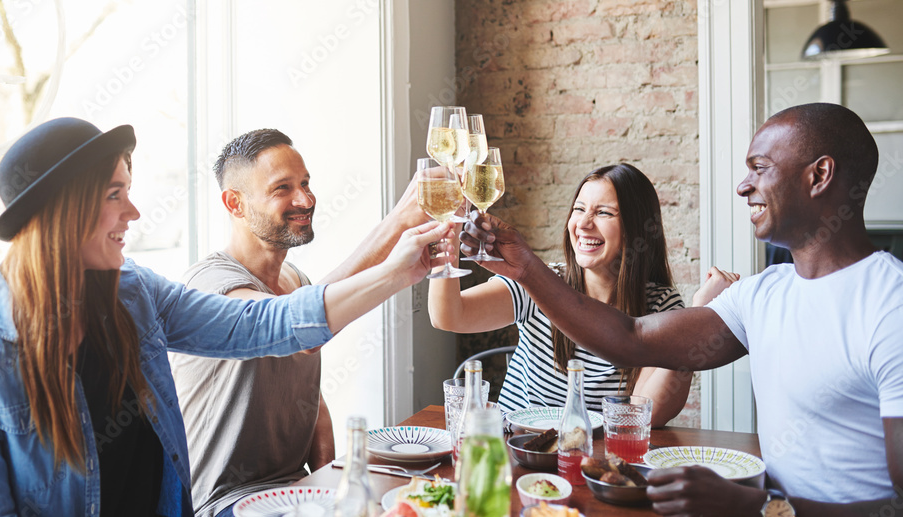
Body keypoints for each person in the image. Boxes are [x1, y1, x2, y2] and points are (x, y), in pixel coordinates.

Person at [0, 117, 450, 517]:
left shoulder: (133, 295)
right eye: (115, 195)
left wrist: (401, 271)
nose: (133, 213)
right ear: (64, 212)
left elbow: (267, 327)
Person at [460, 103, 903, 515]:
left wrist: (756, 505)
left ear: (819, 175)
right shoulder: (763, 293)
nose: (743, 186)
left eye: (759, 169)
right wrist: (527, 267)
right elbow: (630, 339)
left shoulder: (890, 304)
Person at [170, 129, 427, 516]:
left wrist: (327, 481)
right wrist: (395, 227)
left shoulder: (297, 280)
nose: (305, 200)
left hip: (293, 495)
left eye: (305, 183)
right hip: (223, 504)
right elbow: (294, 329)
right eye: (282, 188)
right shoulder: (210, 285)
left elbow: (308, 395)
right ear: (234, 203)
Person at [429, 163, 697, 426]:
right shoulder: (541, 280)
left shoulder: (660, 305)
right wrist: (448, 226)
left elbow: (645, 416)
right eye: (579, 209)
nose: (583, 223)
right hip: (515, 450)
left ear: (635, 227)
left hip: (590, 458)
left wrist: (697, 314)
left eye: (604, 213)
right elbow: (448, 316)